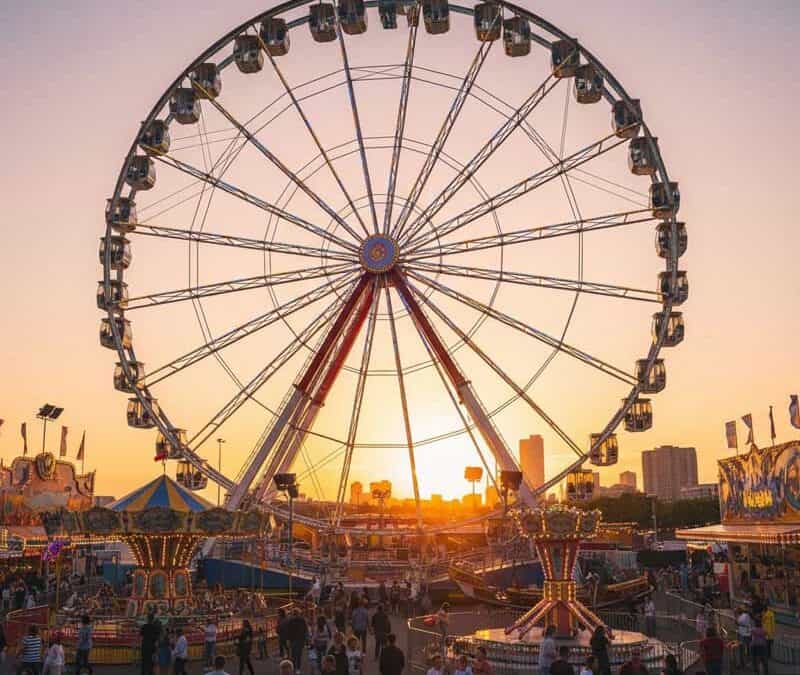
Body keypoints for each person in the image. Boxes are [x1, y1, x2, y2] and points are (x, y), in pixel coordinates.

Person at [287, 607, 309, 673]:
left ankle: (295, 668)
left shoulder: (292, 620)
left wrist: (288, 640)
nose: (296, 614)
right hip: (298, 640)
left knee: (295, 655)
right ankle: (297, 668)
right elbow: (305, 630)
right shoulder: (301, 620)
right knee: (297, 655)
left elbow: (288, 631)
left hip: (296, 640)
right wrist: (306, 639)